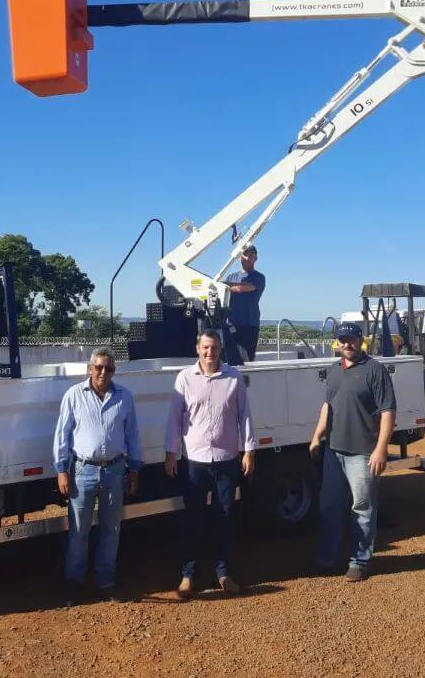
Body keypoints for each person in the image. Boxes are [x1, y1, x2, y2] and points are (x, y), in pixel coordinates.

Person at [165, 329, 256, 597]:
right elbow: (174, 418)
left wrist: (249, 450)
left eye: (214, 348)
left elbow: (244, 415)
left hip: (226, 461)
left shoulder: (233, 377)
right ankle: (188, 574)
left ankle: (224, 573)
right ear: (198, 349)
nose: (209, 353)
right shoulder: (184, 378)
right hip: (195, 461)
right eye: (205, 347)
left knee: (224, 518)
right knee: (193, 519)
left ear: (220, 349)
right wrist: (171, 453)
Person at [308, 322, 396, 582]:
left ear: (361, 341)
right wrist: (317, 436)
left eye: (352, 339)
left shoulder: (374, 370)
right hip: (333, 450)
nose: (347, 344)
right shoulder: (334, 370)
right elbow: (328, 406)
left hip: (363, 452)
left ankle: (359, 561)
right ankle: (327, 558)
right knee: (330, 506)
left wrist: (381, 449)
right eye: (342, 340)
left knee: (362, 508)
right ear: (337, 343)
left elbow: (388, 412)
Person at [53, 347, 142, 604]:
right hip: (83, 470)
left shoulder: (124, 397)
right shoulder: (74, 395)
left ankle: (106, 582)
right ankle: (74, 583)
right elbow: (62, 435)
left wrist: (134, 469)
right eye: (99, 367)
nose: (104, 372)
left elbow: (132, 435)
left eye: (109, 368)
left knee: (110, 529)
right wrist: (61, 470)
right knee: (79, 530)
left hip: (115, 470)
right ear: (90, 368)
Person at [222, 244, 265, 365]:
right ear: (240, 257)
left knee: (246, 362)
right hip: (230, 325)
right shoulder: (231, 277)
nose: (248, 257)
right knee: (229, 361)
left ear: (256, 258)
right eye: (245, 254)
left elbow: (241, 288)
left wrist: (220, 285)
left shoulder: (259, 277)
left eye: (251, 255)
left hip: (249, 325)